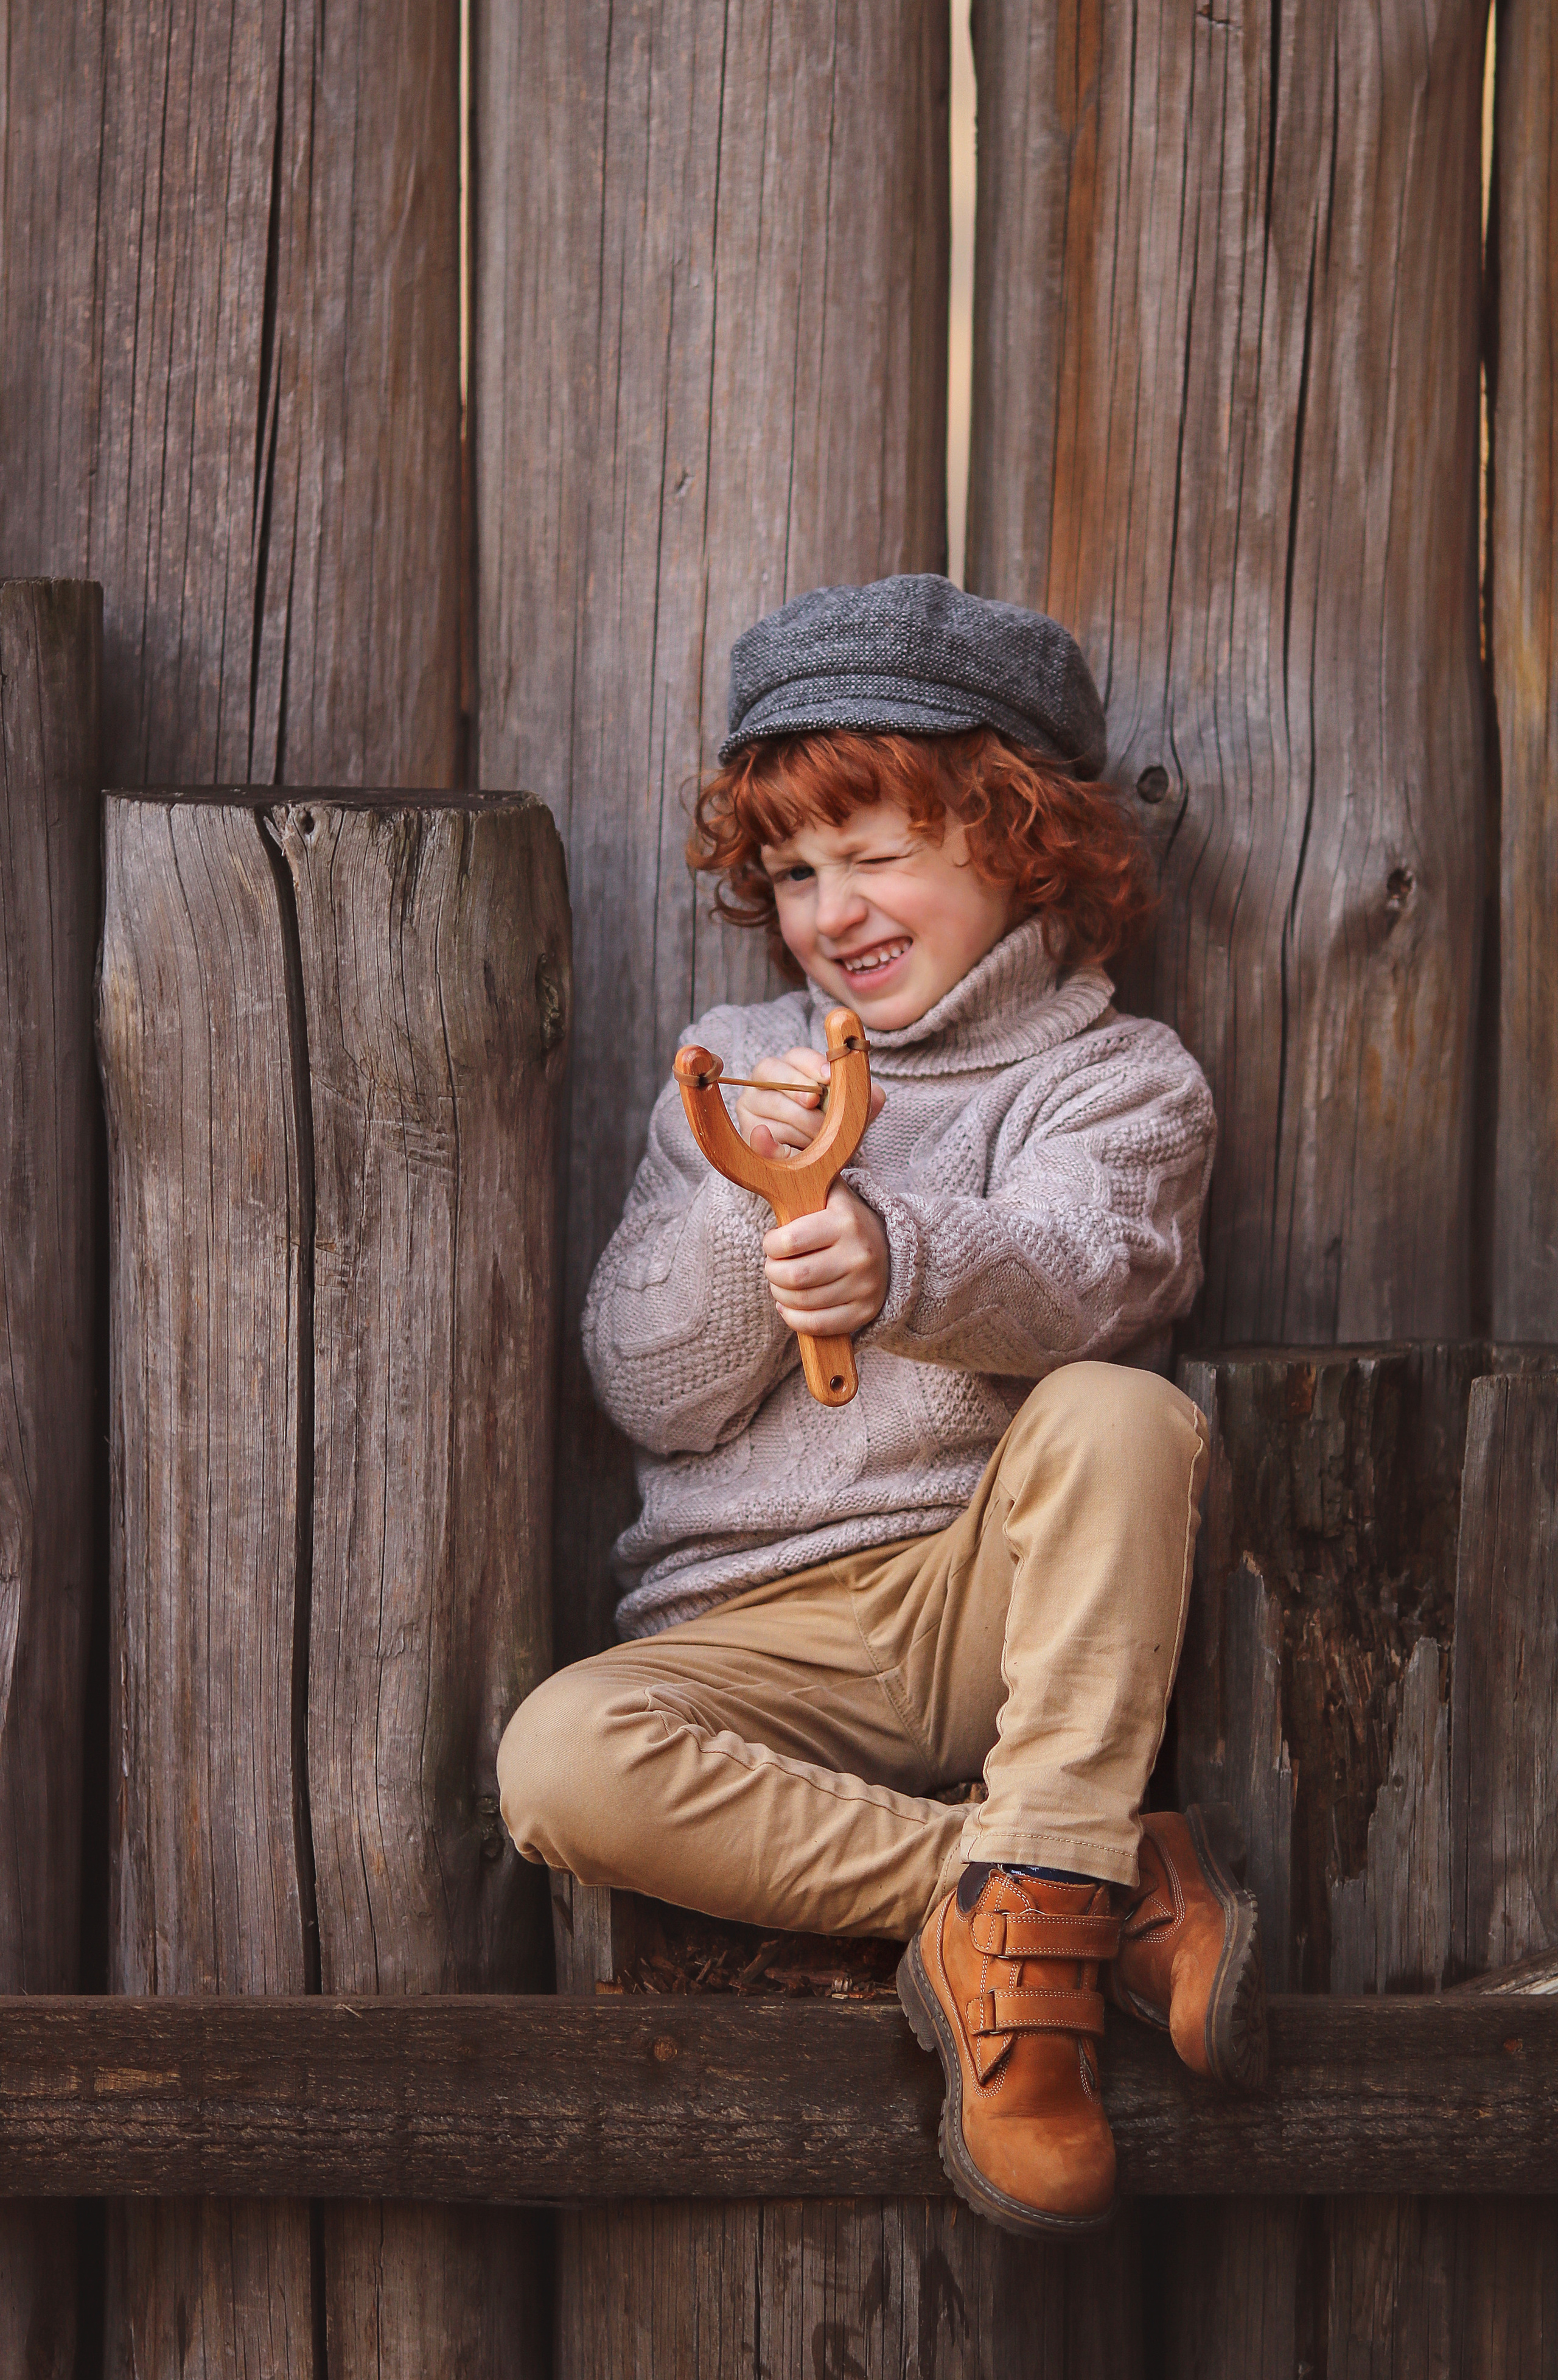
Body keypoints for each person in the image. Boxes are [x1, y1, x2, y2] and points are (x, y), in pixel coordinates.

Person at [498, 574, 1265, 2238]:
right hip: (756, 1633)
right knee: (561, 1761)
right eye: (791, 871)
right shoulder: (733, 1066)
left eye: (879, 851)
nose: (832, 908)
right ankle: (1062, 1893)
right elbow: (652, 1388)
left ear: (1019, 836)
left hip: (985, 1600)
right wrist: (744, 1197)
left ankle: (1031, 1954)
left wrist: (895, 1251)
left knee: (1124, 1421)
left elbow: (1082, 1272)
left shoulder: (1116, 1083)